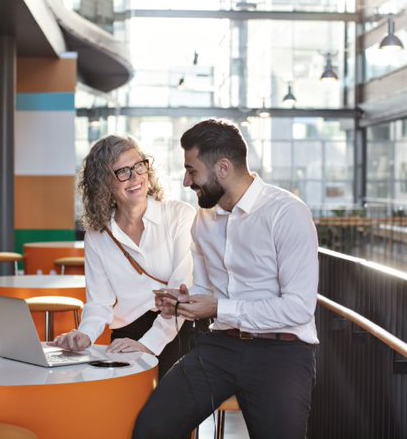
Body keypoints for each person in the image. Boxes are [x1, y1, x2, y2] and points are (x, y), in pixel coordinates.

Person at [134, 119, 319, 439]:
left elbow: (299, 308)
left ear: (222, 167)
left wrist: (218, 308)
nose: (186, 181)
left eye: (192, 171)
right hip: (218, 348)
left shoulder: (286, 212)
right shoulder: (204, 220)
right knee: (152, 428)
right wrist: (184, 302)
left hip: (281, 353)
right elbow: (206, 289)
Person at [51, 135, 195, 378]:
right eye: (123, 172)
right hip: (128, 335)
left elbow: (183, 291)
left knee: (161, 410)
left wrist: (148, 344)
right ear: (104, 184)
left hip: (180, 330)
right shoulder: (98, 235)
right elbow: (99, 302)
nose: (135, 177)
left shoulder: (180, 216)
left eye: (139, 166)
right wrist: (84, 334)